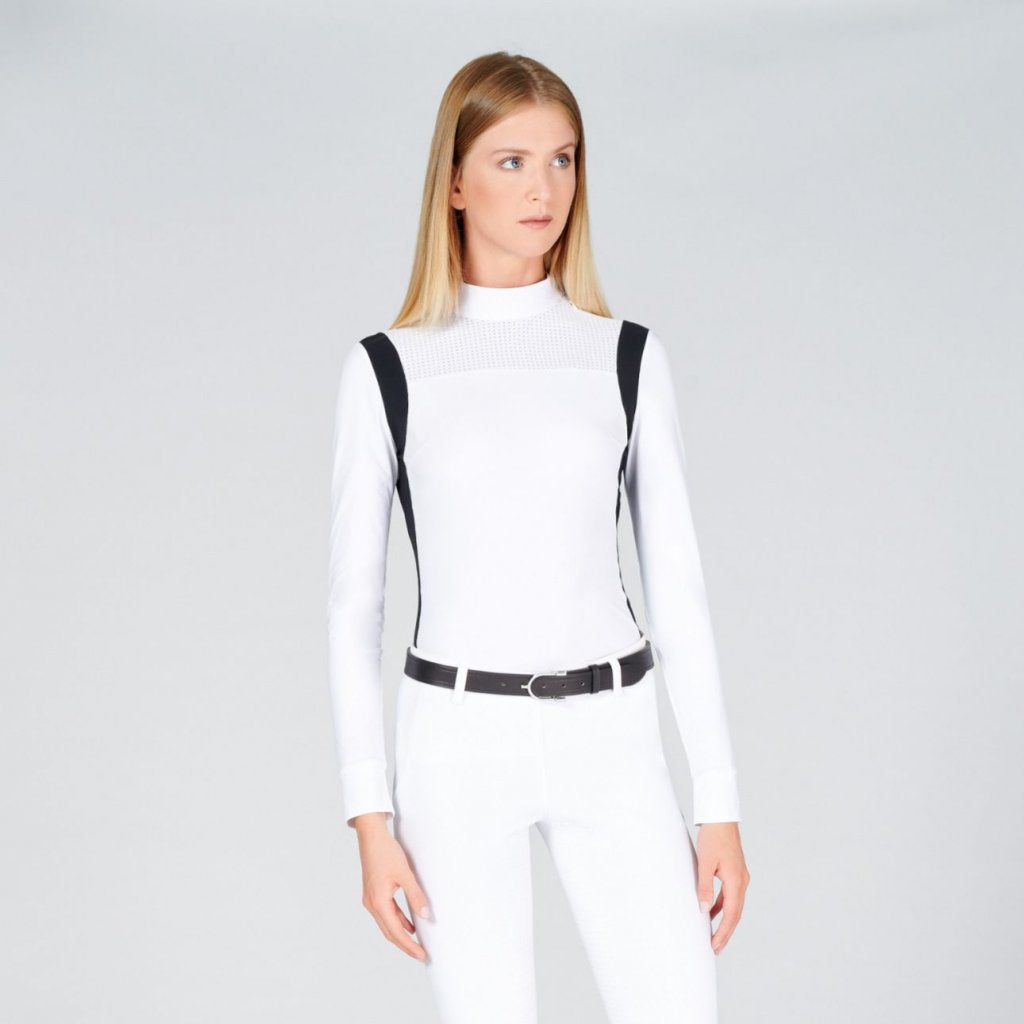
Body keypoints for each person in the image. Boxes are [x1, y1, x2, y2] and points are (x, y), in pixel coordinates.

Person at [327, 51, 750, 1024]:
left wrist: (718, 803)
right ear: (454, 183)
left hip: (611, 731)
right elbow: (354, 606)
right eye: (511, 161)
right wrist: (369, 818)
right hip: (455, 742)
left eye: (562, 159)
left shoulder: (623, 356)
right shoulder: (389, 370)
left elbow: (677, 587)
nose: (543, 188)